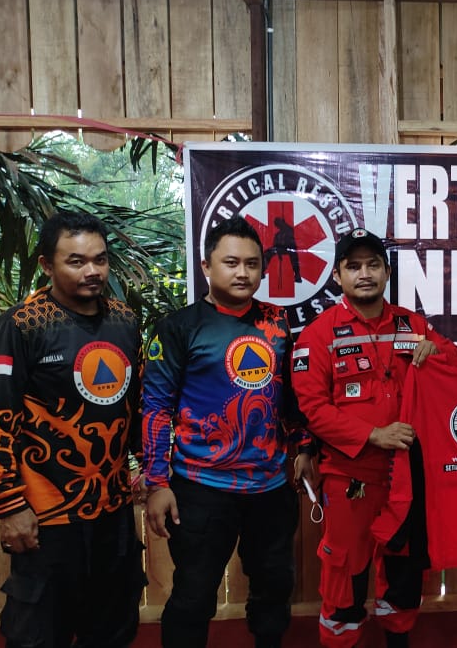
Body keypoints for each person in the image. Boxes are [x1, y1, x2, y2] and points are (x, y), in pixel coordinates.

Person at [0, 210, 145, 647]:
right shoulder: (19, 327)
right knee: (39, 635)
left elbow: (136, 407)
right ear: (47, 265)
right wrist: (10, 506)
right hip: (47, 515)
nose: (93, 271)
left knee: (113, 629)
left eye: (100, 259)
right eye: (76, 261)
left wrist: (150, 468)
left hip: (113, 511)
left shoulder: (124, 322)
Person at [291, 227, 457, 648]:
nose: (364, 274)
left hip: (408, 477)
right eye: (353, 266)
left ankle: (398, 639)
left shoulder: (412, 324)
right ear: (337, 276)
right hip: (350, 477)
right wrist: (373, 434)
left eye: (373, 265)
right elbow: (312, 409)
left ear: (387, 271)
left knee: (403, 572)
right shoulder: (318, 334)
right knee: (344, 575)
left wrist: (438, 352)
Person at [142, 216, 305, 648]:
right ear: (206, 266)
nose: (242, 273)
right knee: (193, 596)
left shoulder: (277, 323)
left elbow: (290, 395)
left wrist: (304, 447)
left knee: (274, 589)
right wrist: (157, 483)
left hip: (270, 487)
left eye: (252, 264)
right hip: (201, 488)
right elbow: (156, 408)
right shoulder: (178, 327)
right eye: (231, 262)